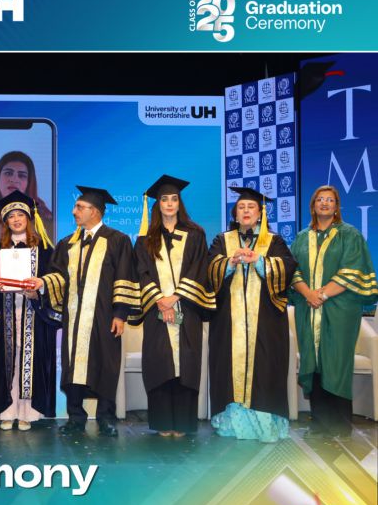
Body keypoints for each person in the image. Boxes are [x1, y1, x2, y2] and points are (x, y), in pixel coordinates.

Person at [28, 186, 138, 436]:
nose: (74, 211)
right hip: (75, 318)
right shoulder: (67, 243)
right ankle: (75, 417)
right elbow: (58, 276)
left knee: (106, 365)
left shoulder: (118, 240)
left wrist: (120, 314)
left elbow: (125, 277)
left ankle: (106, 418)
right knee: (73, 367)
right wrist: (42, 283)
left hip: (104, 317)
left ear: (95, 211)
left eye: (79, 207)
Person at [208, 187, 297, 443]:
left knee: (265, 370)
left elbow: (288, 269)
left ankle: (264, 427)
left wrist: (260, 260)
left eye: (251, 207)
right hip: (229, 321)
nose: (246, 211)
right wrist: (230, 262)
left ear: (260, 213)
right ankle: (232, 425)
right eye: (241, 207)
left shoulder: (274, 241)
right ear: (235, 214)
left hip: (266, 323)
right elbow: (209, 269)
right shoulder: (222, 240)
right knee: (229, 368)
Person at [289, 185, 378, 437]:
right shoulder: (302, 237)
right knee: (314, 360)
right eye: (320, 199)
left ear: (337, 206)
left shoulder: (349, 235)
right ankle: (319, 423)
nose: (325, 203)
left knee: (336, 361)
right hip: (308, 310)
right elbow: (293, 270)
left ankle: (339, 425)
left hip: (340, 310)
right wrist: (308, 294)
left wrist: (322, 294)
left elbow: (352, 270)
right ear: (313, 206)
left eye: (330, 200)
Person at [132, 176, 215, 437]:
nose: (169, 203)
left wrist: (176, 297)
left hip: (186, 309)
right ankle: (162, 422)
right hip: (156, 311)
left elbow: (200, 268)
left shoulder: (196, 234)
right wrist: (160, 299)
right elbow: (141, 271)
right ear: (157, 204)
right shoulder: (145, 239)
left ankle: (184, 423)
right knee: (160, 363)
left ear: (180, 203)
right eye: (164, 199)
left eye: (174, 199)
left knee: (187, 364)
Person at [0, 190, 59, 430]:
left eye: (20, 215)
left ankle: (28, 413)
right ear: (5, 221)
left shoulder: (45, 249)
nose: (16, 219)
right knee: (7, 362)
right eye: (11, 216)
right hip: (5, 316)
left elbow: (55, 282)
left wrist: (38, 291)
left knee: (30, 361)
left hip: (34, 314)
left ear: (28, 218)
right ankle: (7, 411)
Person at [0, 151, 54, 251]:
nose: (14, 179)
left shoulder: (43, 217)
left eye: (22, 175)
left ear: (29, 182)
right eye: (8, 173)